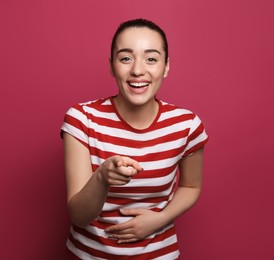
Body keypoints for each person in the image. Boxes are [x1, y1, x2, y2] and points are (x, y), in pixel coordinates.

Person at [61, 18, 209, 259]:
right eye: (126, 58)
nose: (138, 70)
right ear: (112, 66)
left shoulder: (186, 124)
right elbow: (79, 216)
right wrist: (102, 177)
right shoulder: (83, 119)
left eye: (151, 58)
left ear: (166, 66)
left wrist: (160, 219)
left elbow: (191, 186)